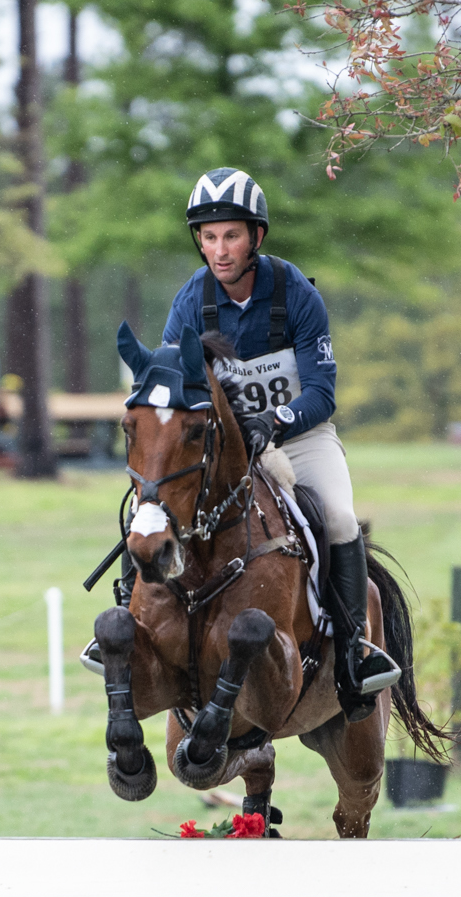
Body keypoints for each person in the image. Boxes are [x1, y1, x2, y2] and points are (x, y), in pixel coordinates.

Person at [158, 167, 399, 720]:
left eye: (231, 235)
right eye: (209, 236)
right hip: (226, 447)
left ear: (256, 238)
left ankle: (354, 652)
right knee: (155, 509)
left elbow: (322, 391)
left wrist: (277, 418)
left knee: (338, 518)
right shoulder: (190, 302)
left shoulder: (296, 293)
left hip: (300, 436)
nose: (219, 250)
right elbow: (172, 380)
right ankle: (137, 626)